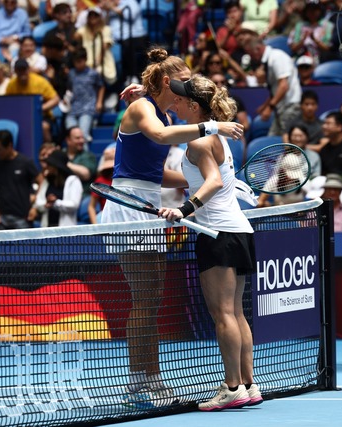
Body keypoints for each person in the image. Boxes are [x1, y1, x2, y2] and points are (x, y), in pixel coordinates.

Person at [101, 47, 244, 409]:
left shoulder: (163, 112)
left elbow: (158, 171)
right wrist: (212, 125)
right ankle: (138, 382)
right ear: (169, 80)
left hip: (151, 203)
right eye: (184, 78)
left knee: (152, 299)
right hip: (128, 206)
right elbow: (163, 139)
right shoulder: (143, 109)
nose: (190, 83)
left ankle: (153, 379)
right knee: (143, 300)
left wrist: (222, 180)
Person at [160, 75, 262, 411]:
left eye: (178, 100)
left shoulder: (199, 142)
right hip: (239, 231)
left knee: (222, 315)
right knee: (235, 313)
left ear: (193, 106)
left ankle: (231, 387)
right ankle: (248, 384)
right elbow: (200, 178)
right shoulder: (216, 135)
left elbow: (214, 181)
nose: (173, 104)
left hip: (216, 233)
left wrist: (184, 208)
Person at [242, 30, 301, 136]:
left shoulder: (277, 57)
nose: (252, 58)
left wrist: (269, 108)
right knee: (272, 140)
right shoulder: (269, 60)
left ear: (258, 49)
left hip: (290, 107)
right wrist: (265, 105)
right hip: (281, 108)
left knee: (285, 143)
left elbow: (283, 86)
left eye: (251, 54)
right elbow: (276, 89)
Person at [0, 129, 41, 230]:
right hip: (0, 219)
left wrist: (36, 206)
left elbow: (42, 182)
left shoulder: (26, 163)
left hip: (22, 218)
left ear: (10, 146)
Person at [5, 58, 61, 144]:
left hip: (41, 116)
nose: (22, 73)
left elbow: (55, 99)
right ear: (15, 71)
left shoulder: (39, 81)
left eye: (24, 70)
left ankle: (49, 149)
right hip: (20, 116)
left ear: (29, 70)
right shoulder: (11, 84)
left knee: (44, 127)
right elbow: (7, 103)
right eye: (19, 70)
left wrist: (40, 108)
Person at [29, 150, 83, 227]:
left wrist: (55, 202)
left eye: (50, 164)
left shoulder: (73, 181)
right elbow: (38, 203)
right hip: (47, 230)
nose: (47, 166)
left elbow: (74, 204)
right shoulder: (46, 181)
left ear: (56, 166)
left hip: (66, 231)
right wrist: (46, 204)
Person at [65, 48, 105, 143]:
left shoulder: (93, 73)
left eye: (80, 61)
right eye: (76, 62)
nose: (78, 64)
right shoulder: (71, 74)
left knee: (82, 136)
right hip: (73, 109)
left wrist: (99, 102)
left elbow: (101, 87)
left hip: (88, 108)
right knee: (72, 133)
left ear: (85, 59)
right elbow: (70, 89)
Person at [63, 126, 97, 195]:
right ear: (68, 140)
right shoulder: (62, 153)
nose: (82, 141)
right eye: (77, 138)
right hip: (63, 196)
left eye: (82, 138)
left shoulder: (88, 156)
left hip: (83, 196)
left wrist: (65, 163)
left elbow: (86, 174)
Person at [87, 145, 114, 224]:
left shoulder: (123, 180)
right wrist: (96, 227)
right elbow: (91, 207)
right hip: (105, 221)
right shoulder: (100, 181)